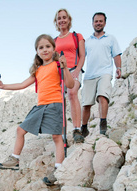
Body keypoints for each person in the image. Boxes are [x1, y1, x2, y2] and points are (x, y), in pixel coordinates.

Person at [0, 34, 74, 186]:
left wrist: (65, 67)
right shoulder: (38, 70)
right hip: (40, 106)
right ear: (37, 51)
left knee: (57, 137)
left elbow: (70, 85)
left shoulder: (58, 65)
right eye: (41, 47)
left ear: (53, 48)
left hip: (55, 104)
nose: (45, 50)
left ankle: (58, 170)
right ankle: (14, 159)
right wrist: (3, 86)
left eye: (48, 46)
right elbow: (22, 84)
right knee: (20, 130)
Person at [81, 12, 122, 136]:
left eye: (100, 21)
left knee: (103, 96)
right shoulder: (87, 42)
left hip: (105, 72)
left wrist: (118, 68)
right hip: (89, 75)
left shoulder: (110, 38)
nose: (98, 23)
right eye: (96, 21)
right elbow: (81, 58)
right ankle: (84, 128)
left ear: (104, 23)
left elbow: (116, 54)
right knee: (86, 104)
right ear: (92, 23)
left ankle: (103, 124)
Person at [53, 8, 85, 143]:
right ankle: (61, 133)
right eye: (59, 18)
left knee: (72, 94)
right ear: (56, 21)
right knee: (60, 101)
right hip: (58, 73)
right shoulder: (53, 40)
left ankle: (77, 129)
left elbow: (82, 56)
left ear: (69, 20)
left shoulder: (77, 36)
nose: (62, 20)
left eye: (64, 17)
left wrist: (77, 70)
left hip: (73, 70)